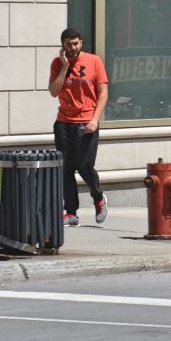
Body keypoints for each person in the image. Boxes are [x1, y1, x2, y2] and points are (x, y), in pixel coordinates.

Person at [48, 27, 109, 226]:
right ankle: (71, 212)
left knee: (84, 166)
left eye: (76, 43)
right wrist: (65, 67)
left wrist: (95, 119)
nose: (73, 47)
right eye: (68, 44)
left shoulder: (94, 61)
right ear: (63, 45)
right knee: (65, 169)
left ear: (81, 42)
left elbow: (103, 93)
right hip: (64, 123)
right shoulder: (58, 63)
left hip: (87, 122)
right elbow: (53, 91)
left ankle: (98, 198)